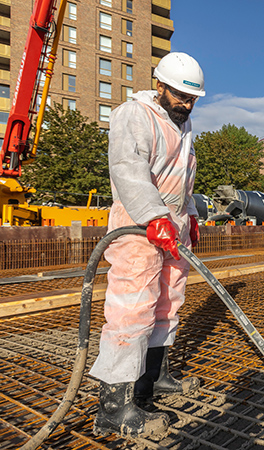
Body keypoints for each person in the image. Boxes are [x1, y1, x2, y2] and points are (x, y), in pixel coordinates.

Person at [88, 52, 205, 439]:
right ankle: (114, 405)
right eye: (180, 97)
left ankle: (153, 378)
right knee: (132, 308)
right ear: (160, 86)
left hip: (174, 228)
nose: (186, 105)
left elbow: (183, 177)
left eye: (192, 99)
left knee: (168, 304)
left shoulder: (184, 126)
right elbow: (128, 169)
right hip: (139, 226)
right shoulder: (133, 115)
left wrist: (190, 215)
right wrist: (154, 216)